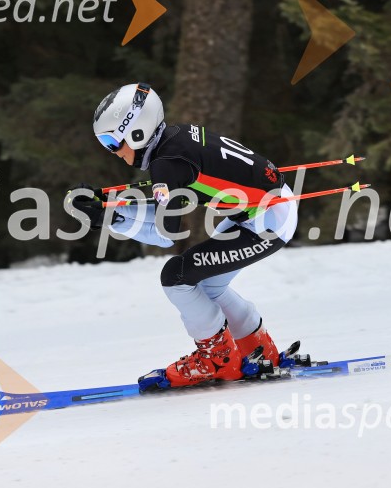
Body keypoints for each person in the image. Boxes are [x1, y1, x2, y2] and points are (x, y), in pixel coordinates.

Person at [69, 82, 298, 387]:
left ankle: (218, 360)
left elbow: (165, 234)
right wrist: (108, 207)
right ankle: (258, 350)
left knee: (175, 276)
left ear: (137, 132)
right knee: (205, 282)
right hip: (263, 211)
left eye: (112, 141)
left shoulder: (168, 164)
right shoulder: (172, 140)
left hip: (268, 221)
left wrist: (106, 217)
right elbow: (162, 208)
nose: (113, 152)